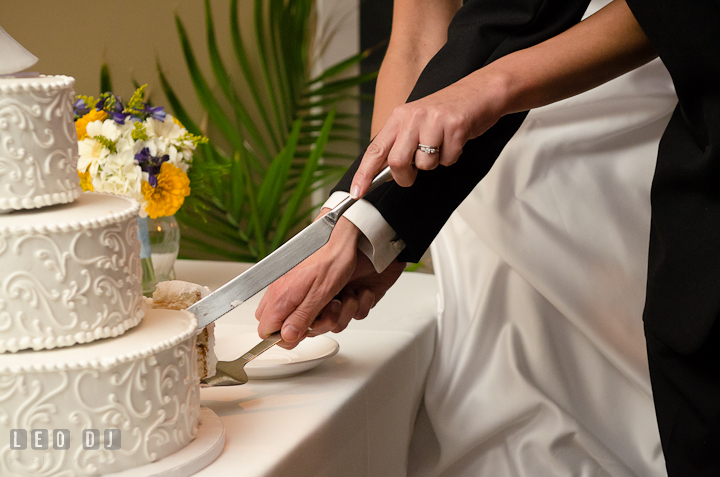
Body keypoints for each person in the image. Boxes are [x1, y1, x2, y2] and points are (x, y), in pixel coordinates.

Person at [257, 0, 720, 474]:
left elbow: (669, 14)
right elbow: (417, 37)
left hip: (634, 143)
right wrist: (370, 218)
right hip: (465, 162)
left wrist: (489, 88)